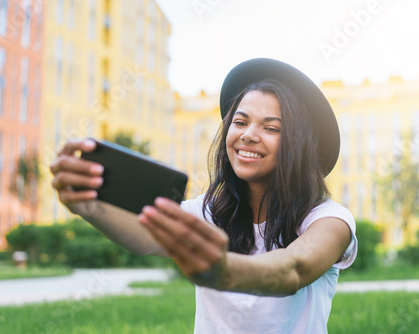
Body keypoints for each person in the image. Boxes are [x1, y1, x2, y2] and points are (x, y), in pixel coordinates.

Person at [50, 58, 357, 333]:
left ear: (299, 145)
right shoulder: (210, 211)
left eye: (271, 128)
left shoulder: (330, 219)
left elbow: (293, 268)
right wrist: (88, 206)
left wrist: (223, 270)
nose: (248, 134)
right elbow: (146, 234)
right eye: (240, 122)